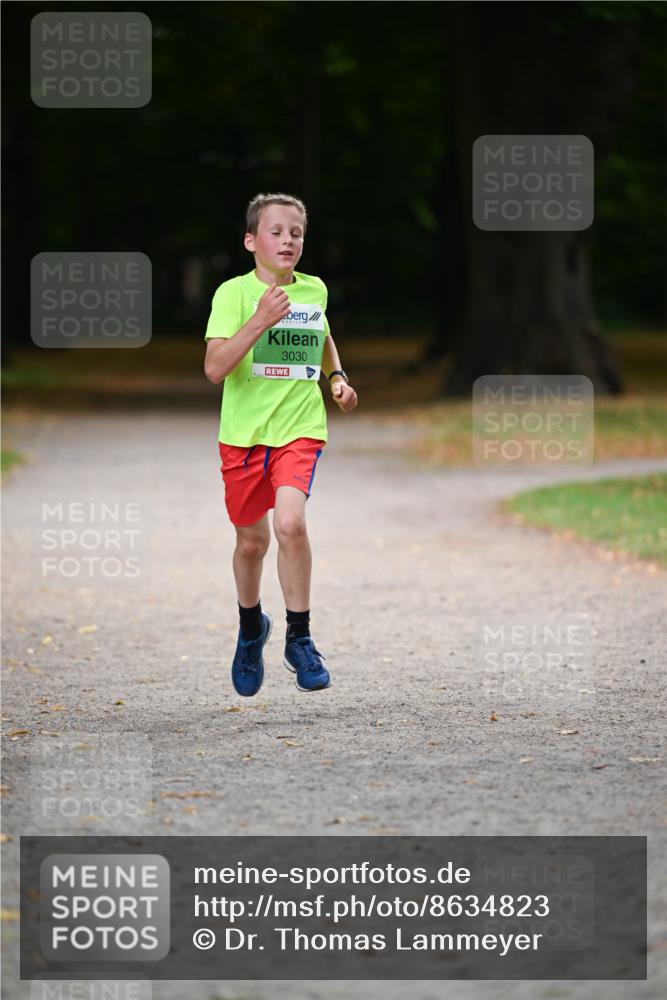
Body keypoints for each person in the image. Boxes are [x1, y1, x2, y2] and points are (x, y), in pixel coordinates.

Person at [204, 192, 358, 696]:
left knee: (290, 524)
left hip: (298, 427)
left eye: (296, 233)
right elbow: (214, 368)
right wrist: (260, 319)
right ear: (251, 241)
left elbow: (322, 333)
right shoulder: (232, 295)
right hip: (243, 437)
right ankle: (252, 629)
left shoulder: (314, 290)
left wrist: (335, 378)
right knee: (252, 543)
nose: (288, 239)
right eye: (276, 231)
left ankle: (300, 637)